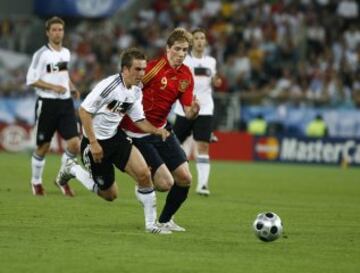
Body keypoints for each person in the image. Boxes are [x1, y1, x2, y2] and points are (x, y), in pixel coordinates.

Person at [57, 48, 171, 234]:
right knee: (110, 195)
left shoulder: (135, 91)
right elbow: (84, 111)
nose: (142, 74)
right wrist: (93, 143)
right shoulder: (109, 86)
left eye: (143, 69)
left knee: (144, 174)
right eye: (137, 69)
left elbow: (139, 120)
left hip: (115, 138)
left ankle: (151, 225)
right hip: (94, 142)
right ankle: (73, 169)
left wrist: (156, 130)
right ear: (125, 70)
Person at [120, 28, 200, 232]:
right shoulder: (152, 69)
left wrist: (194, 111)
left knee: (185, 178)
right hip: (138, 133)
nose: (181, 54)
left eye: (185, 50)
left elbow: (188, 111)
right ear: (167, 48)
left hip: (162, 130)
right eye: (177, 49)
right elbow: (127, 88)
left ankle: (165, 220)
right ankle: (142, 182)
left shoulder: (185, 75)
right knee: (165, 184)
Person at [26, 16, 80, 197]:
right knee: (44, 146)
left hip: (65, 103)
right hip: (47, 103)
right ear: (48, 33)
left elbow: (63, 75)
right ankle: (36, 182)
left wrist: (71, 87)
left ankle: (61, 179)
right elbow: (31, 80)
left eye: (60, 30)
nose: (58, 33)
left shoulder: (66, 52)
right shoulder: (41, 54)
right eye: (54, 30)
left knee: (74, 144)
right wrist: (53, 87)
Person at [173, 28, 222, 196]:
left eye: (203, 37)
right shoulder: (185, 61)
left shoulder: (211, 61)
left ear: (206, 41)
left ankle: (202, 185)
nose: (200, 41)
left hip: (205, 108)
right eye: (197, 38)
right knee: (173, 145)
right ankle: (170, 176)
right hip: (184, 108)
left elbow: (214, 79)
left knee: (203, 145)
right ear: (192, 42)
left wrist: (216, 80)